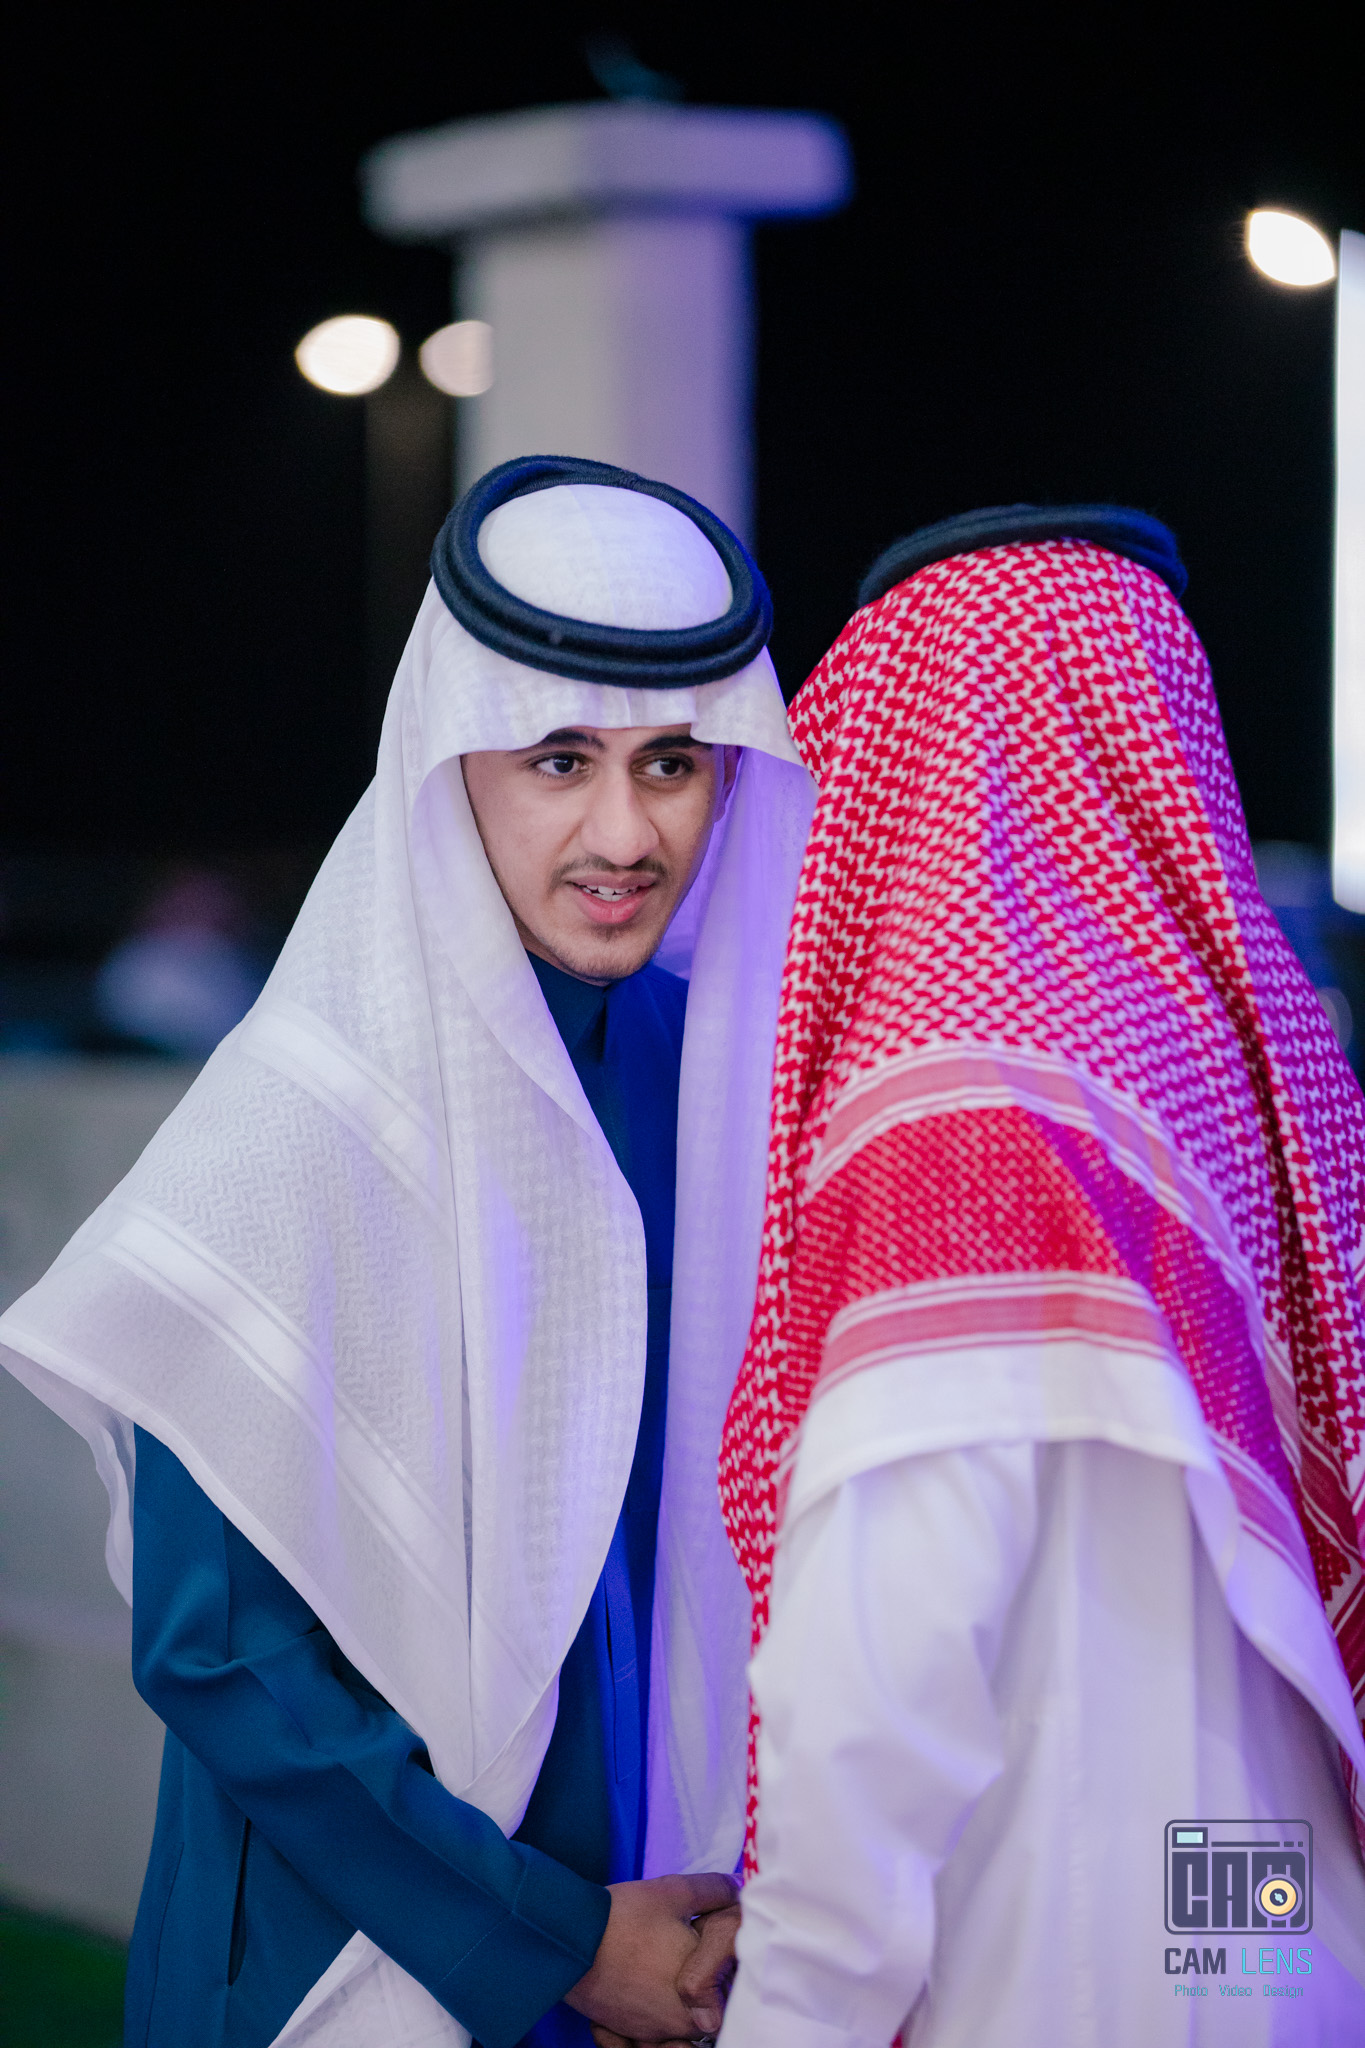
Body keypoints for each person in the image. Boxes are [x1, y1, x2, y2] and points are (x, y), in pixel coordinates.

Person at [0, 456, 813, 2048]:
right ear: (448, 766)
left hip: (673, 1927)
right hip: (353, 1950)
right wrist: (557, 1942)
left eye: (671, 763)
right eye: (558, 758)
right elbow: (222, 1654)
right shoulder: (298, 1117)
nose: (624, 830)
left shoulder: (720, 1089)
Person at [715, 506, 1365, 2046]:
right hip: (1254, 1908)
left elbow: (881, 1679)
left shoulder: (962, 1117)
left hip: (1054, 1955)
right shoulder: (1245, 1076)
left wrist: (790, 2010)